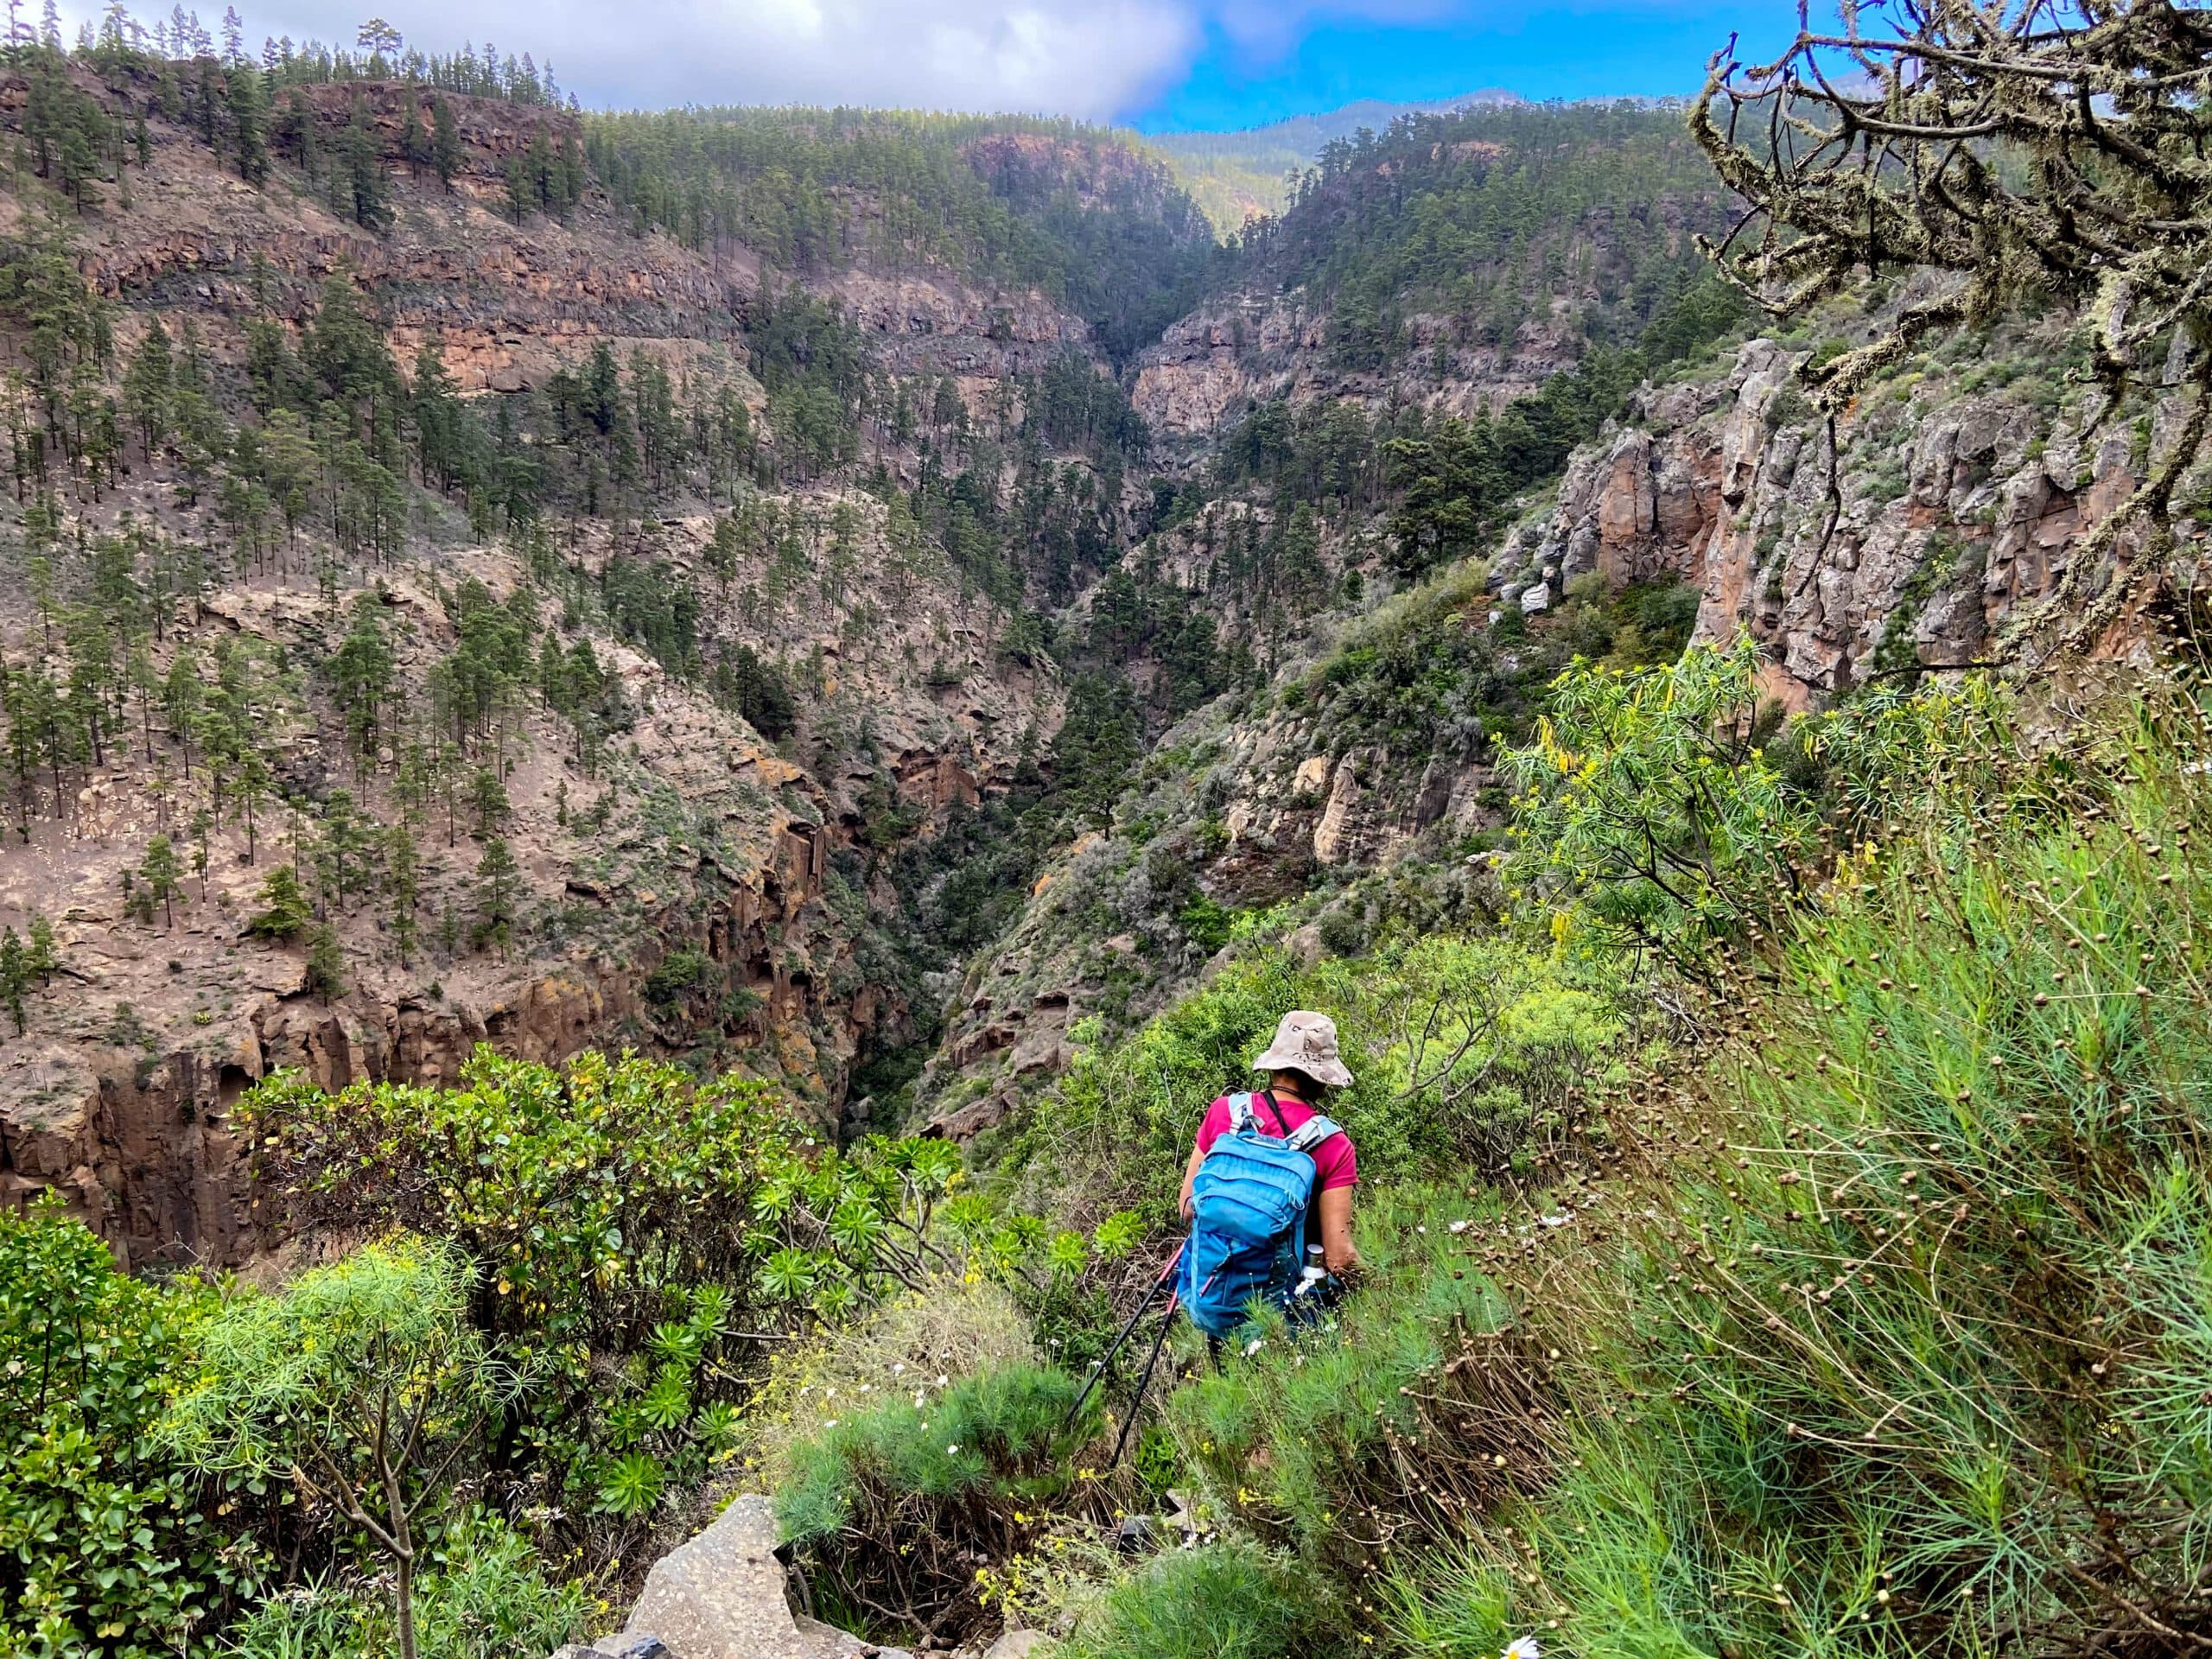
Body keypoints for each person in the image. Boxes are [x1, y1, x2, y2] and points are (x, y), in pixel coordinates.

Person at [1179, 1009, 1361, 1282]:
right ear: (1321, 1077)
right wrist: (1378, 1287)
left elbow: (1187, 1208)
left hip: (1216, 1293)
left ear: (1274, 1065)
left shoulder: (1224, 1113)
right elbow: (1339, 1260)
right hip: (1287, 1309)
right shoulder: (1333, 1144)